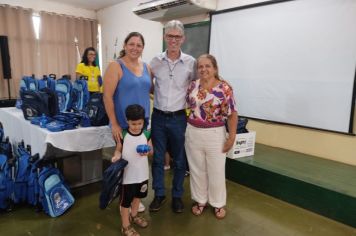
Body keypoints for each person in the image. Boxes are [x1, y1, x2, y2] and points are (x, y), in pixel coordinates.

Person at [149, 20, 196, 213]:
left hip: (179, 118)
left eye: (177, 36)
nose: (174, 40)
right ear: (164, 37)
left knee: (179, 160)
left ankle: (177, 196)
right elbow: (149, 85)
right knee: (158, 158)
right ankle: (159, 194)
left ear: (183, 39)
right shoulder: (155, 61)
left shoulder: (191, 63)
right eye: (170, 36)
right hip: (158, 117)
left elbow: (195, 88)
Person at [103, 32, 152, 214]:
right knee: (125, 163)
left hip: (142, 125)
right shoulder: (116, 66)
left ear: (142, 48)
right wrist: (114, 124)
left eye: (139, 45)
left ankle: (133, 198)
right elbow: (107, 97)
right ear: (124, 45)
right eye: (131, 44)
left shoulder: (146, 67)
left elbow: (150, 89)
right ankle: (125, 199)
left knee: (138, 162)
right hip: (123, 125)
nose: (135, 48)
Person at [185, 54, 238, 219]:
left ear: (215, 68)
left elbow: (232, 114)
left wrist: (231, 137)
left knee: (216, 170)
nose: (203, 69)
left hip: (215, 134)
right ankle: (200, 201)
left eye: (207, 66)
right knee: (197, 170)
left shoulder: (225, 88)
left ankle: (218, 203)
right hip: (193, 132)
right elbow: (187, 108)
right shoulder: (193, 86)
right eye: (200, 66)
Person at [111, 104, 153, 236]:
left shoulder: (146, 133)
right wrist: (116, 155)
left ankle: (134, 216)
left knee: (138, 197)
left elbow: (151, 150)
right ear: (127, 121)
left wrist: (148, 152)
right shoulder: (123, 135)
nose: (136, 126)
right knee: (125, 202)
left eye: (139, 123)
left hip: (142, 174)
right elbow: (118, 149)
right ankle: (125, 225)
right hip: (128, 177)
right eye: (133, 124)